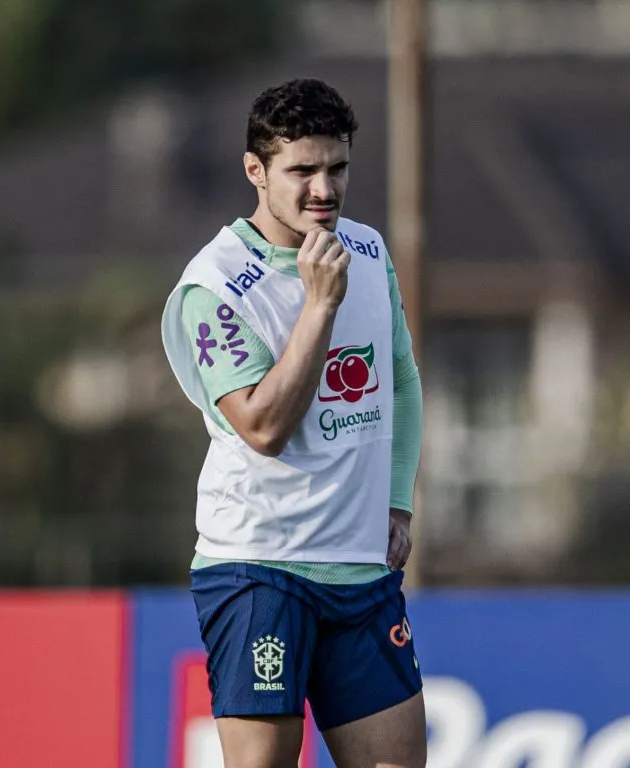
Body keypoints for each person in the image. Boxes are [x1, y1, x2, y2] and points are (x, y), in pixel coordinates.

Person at [161, 78, 426, 768]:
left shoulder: (365, 252)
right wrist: (317, 308)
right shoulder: (213, 287)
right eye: (302, 171)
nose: (324, 190)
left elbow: (400, 378)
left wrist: (397, 499)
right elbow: (263, 427)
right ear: (256, 172)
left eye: (336, 168)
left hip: (361, 569)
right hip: (260, 568)